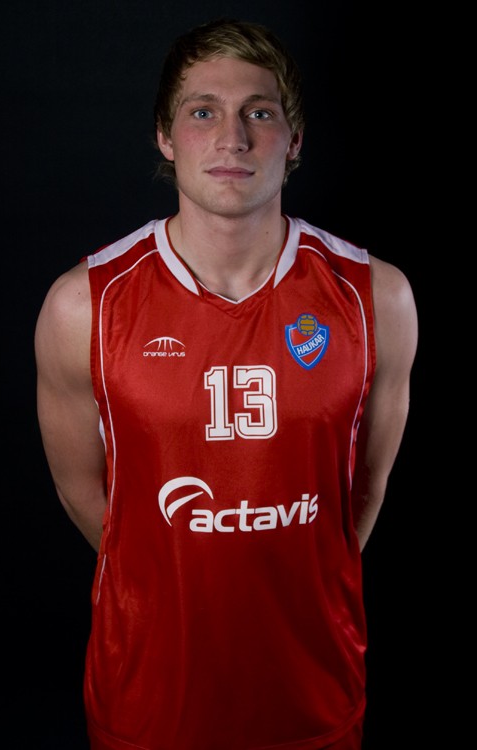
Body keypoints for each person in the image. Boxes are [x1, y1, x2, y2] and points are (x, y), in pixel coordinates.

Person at [34, 17, 418, 750]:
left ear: (295, 140)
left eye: (259, 113)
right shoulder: (84, 305)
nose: (233, 138)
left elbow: (358, 499)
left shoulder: (377, 299)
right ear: (165, 136)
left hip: (312, 694)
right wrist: (180, 566)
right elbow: (86, 497)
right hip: (150, 700)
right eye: (203, 112)